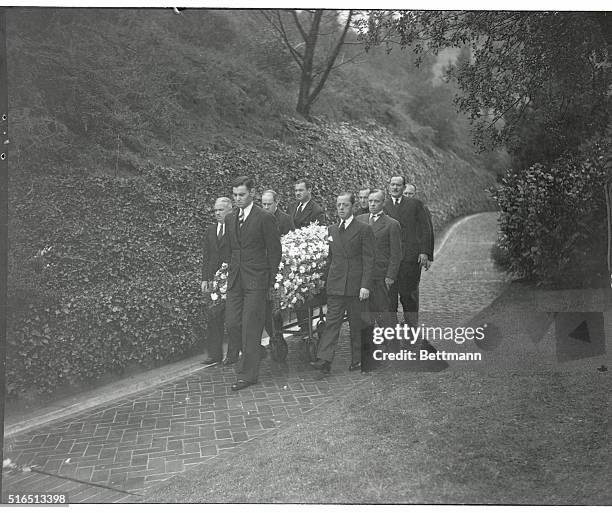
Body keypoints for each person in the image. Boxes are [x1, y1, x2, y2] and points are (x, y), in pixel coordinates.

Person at [224, 176, 282, 391]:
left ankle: (249, 375)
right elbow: (229, 249)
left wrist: (270, 280)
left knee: (250, 326)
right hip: (236, 279)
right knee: (232, 323)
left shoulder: (264, 218)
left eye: (242, 194)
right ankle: (254, 352)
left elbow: (275, 251)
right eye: (235, 195)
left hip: (257, 280)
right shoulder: (230, 219)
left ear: (252, 194)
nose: (237, 198)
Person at [311, 192, 375, 374]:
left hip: (355, 286)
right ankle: (324, 360)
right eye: (338, 205)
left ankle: (358, 358)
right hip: (336, 285)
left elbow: (369, 260)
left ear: (352, 207)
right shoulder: (331, 229)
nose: (341, 208)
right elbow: (331, 259)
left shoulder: (363, 229)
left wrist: (365, 285)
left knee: (357, 324)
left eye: (345, 205)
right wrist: (325, 281)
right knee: (332, 322)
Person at [383, 176, 431, 327]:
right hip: (390, 260)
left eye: (398, 185)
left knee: (408, 296)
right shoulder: (383, 206)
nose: (395, 188)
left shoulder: (415, 204)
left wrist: (425, 252)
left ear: (404, 188)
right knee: (389, 298)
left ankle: (412, 328)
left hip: (410, 259)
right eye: (392, 185)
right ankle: (391, 331)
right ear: (388, 187)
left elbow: (425, 228)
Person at [201, 197, 241, 365]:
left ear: (230, 211)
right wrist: (205, 278)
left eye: (221, 210)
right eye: (215, 210)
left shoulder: (236, 229)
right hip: (214, 282)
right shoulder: (211, 230)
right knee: (213, 316)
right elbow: (207, 256)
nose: (217, 213)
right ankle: (214, 354)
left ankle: (232, 354)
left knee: (232, 319)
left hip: (231, 280)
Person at [290, 178, 327, 338]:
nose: (298, 193)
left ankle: (306, 326)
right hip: (293, 257)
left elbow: (319, 235)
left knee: (304, 291)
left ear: (309, 190)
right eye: (296, 190)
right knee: (294, 291)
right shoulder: (292, 207)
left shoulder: (316, 210)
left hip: (307, 258)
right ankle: (303, 325)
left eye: (301, 190)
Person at [404, 183, 434, 270]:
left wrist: (428, 255)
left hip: (415, 255)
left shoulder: (422, 208)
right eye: (405, 193)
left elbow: (428, 231)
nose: (407, 196)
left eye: (410, 194)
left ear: (415, 194)